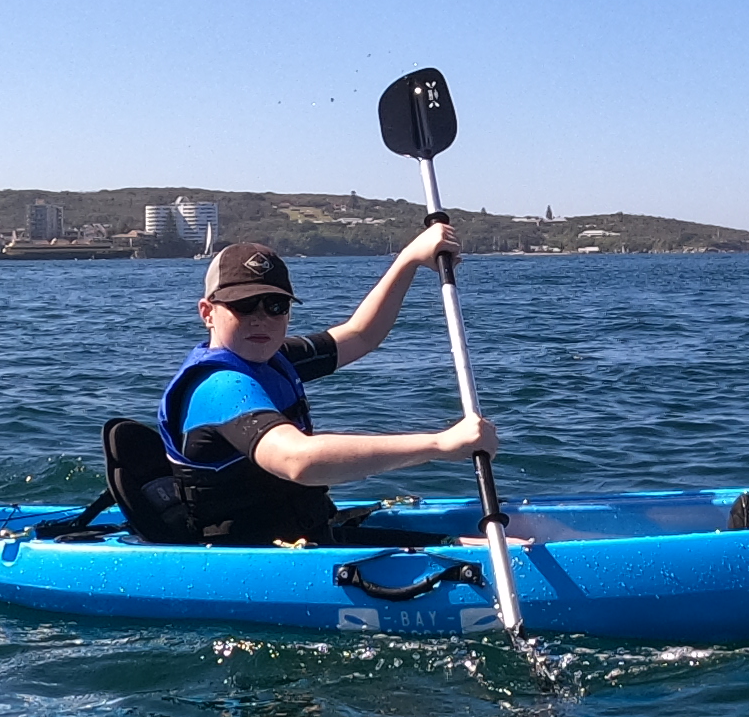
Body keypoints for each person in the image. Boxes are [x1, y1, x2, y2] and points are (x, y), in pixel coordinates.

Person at [154, 232, 494, 543]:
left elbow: (361, 335)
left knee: (478, 540)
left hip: (300, 535)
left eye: (275, 306)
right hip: (255, 557)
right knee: (477, 549)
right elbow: (298, 461)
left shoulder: (271, 357)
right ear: (207, 312)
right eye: (242, 306)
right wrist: (439, 445)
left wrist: (409, 259)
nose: (261, 318)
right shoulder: (220, 387)